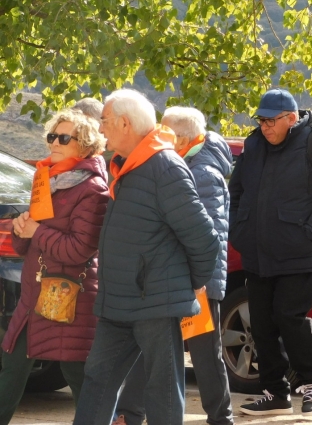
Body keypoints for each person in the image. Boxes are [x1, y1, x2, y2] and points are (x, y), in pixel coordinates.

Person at [73, 89, 220, 425]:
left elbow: (204, 239)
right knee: (97, 378)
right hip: (117, 303)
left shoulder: (165, 167)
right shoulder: (124, 166)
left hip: (156, 303)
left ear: (125, 123)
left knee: (163, 391)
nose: (101, 129)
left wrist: (183, 286)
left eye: (106, 122)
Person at [228, 88, 312, 416]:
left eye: (271, 120)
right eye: (261, 120)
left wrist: (308, 235)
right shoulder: (254, 146)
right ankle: (275, 393)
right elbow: (235, 192)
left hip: (302, 255)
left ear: (291, 118)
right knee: (262, 324)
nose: (265, 126)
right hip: (258, 252)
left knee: (289, 316)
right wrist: (239, 231)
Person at [113, 106, 234, 425]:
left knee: (206, 355)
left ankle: (221, 418)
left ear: (181, 139)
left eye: (162, 133)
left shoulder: (203, 173)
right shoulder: (180, 164)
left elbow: (204, 234)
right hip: (171, 279)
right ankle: (129, 412)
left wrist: (198, 280)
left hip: (199, 282)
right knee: (151, 346)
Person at [0, 110, 109, 424]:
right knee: (13, 363)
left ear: (85, 146)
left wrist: (37, 231)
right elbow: (29, 244)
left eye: (64, 138)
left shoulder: (94, 189)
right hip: (36, 293)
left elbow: (79, 249)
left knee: (77, 372)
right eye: (52, 136)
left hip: (69, 295)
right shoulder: (47, 180)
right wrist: (23, 230)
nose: (55, 143)